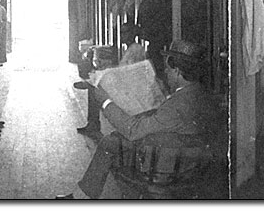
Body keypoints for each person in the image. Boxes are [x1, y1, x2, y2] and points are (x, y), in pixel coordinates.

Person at [57, 39, 213, 199]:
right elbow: (170, 120)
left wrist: (105, 101)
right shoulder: (199, 94)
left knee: (112, 143)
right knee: (112, 141)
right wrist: (163, 95)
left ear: (178, 71)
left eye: (168, 70)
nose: (165, 73)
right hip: (190, 163)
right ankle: (82, 196)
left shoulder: (177, 105)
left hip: (164, 167)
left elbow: (133, 131)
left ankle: (85, 198)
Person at [74, 22, 146, 138]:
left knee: (95, 88)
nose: (122, 35)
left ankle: (93, 123)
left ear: (132, 34)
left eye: (125, 33)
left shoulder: (136, 49)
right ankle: (89, 83)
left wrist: (110, 70)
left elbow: (128, 71)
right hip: (125, 82)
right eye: (121, 32)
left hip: (129, 87)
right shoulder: (130, 49)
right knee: (97, 82)